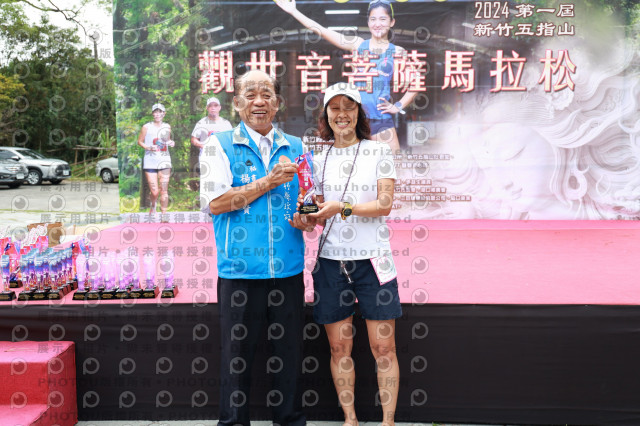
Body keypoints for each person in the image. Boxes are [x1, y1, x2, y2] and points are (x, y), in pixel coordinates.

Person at [200, 69, 310, 426]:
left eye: (267, 94)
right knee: (237, 359)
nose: (259, 101)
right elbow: (217, 203)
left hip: (288, 270)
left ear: (278, 103)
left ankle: (289, 420)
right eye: (250, 94)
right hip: (240, 272)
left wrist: (307, 218)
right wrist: (268, 181)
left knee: (289, 356)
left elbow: (307, 203)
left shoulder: (296, 147)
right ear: (236, 103)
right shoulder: (219, 145)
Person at [307, 82, 402, 426]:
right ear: (326, 115)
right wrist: (306, 217)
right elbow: (318, 214)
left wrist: (342, 208)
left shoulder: (378, 152)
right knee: (339, 348)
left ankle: (388, 422)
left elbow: (384, 204)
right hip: (332, 263)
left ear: (359, 114)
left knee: (383, 348)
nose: (342, 114)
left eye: (349, 107)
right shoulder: (318, 160)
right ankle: (350, 419)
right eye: (334, 108)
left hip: (374, 262)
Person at [275, 0, 420, 153]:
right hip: (354, 120)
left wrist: (398, 106)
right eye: (373, 19)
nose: (377, 24)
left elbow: (416, 81)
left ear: (392, 22)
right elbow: (321, 30)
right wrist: (294, 11)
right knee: (354, 166)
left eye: (383, 19)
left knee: (392, 163)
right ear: (368, 22)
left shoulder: (396, 52)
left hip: (381, 120)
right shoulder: (358, 45)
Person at [137, 103, 174, 214]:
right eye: (155, 112)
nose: (157, 114)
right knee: (155, 192)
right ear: (152, 114)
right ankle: (153, 205)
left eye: (160, 112)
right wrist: (148, 147)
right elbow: (140, 141)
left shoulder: (167, 126)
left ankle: (164, 214)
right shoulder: (146, 127)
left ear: (164, 114)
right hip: (150, 161)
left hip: (164, 161)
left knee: (164, 190)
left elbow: (166, 140)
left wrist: (171, 142)